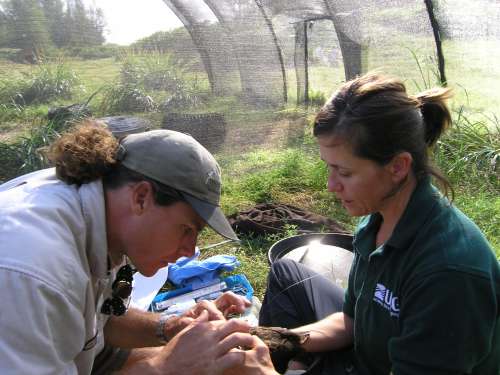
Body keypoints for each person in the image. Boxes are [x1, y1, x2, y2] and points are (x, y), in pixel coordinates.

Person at [259, 73, 500, 374]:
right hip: (364, 354)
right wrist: (277, 343)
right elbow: (351, 321)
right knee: (285, 273)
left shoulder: (448, 275)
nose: (331, 185)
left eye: (344, 173)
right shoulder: (377, 216)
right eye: (329, 168)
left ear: (397, 167)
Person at [0, 120, 276, 375]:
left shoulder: (106, 218)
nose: (190, 250)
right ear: (141, 197)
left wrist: (171, 327)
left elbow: (96, 324)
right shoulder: (32, 270)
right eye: (187, 229)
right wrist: (164, 367)